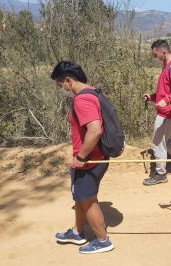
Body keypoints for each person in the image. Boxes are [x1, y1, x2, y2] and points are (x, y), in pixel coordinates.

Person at [51, 61, 114, 254]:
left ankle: (103, 240)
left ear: (68, 80)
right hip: (94, 157)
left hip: (88, 160)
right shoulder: (94, 91)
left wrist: (81, 156)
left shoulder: (82, 100)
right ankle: (78, 232)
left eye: (60, 85)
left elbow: (94, 131)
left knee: (87, 199)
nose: (62, 89)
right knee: (80, 196)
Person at [143, 39, 171, 185]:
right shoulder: (168, 67)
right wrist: (152, 97)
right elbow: (165, 93)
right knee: (165, 140)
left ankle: (161, 174)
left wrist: (167, 100)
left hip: (167, 113)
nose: (155, 58)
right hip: (168, 111)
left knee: (157, 143)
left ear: (163, 51)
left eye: (155, 55)